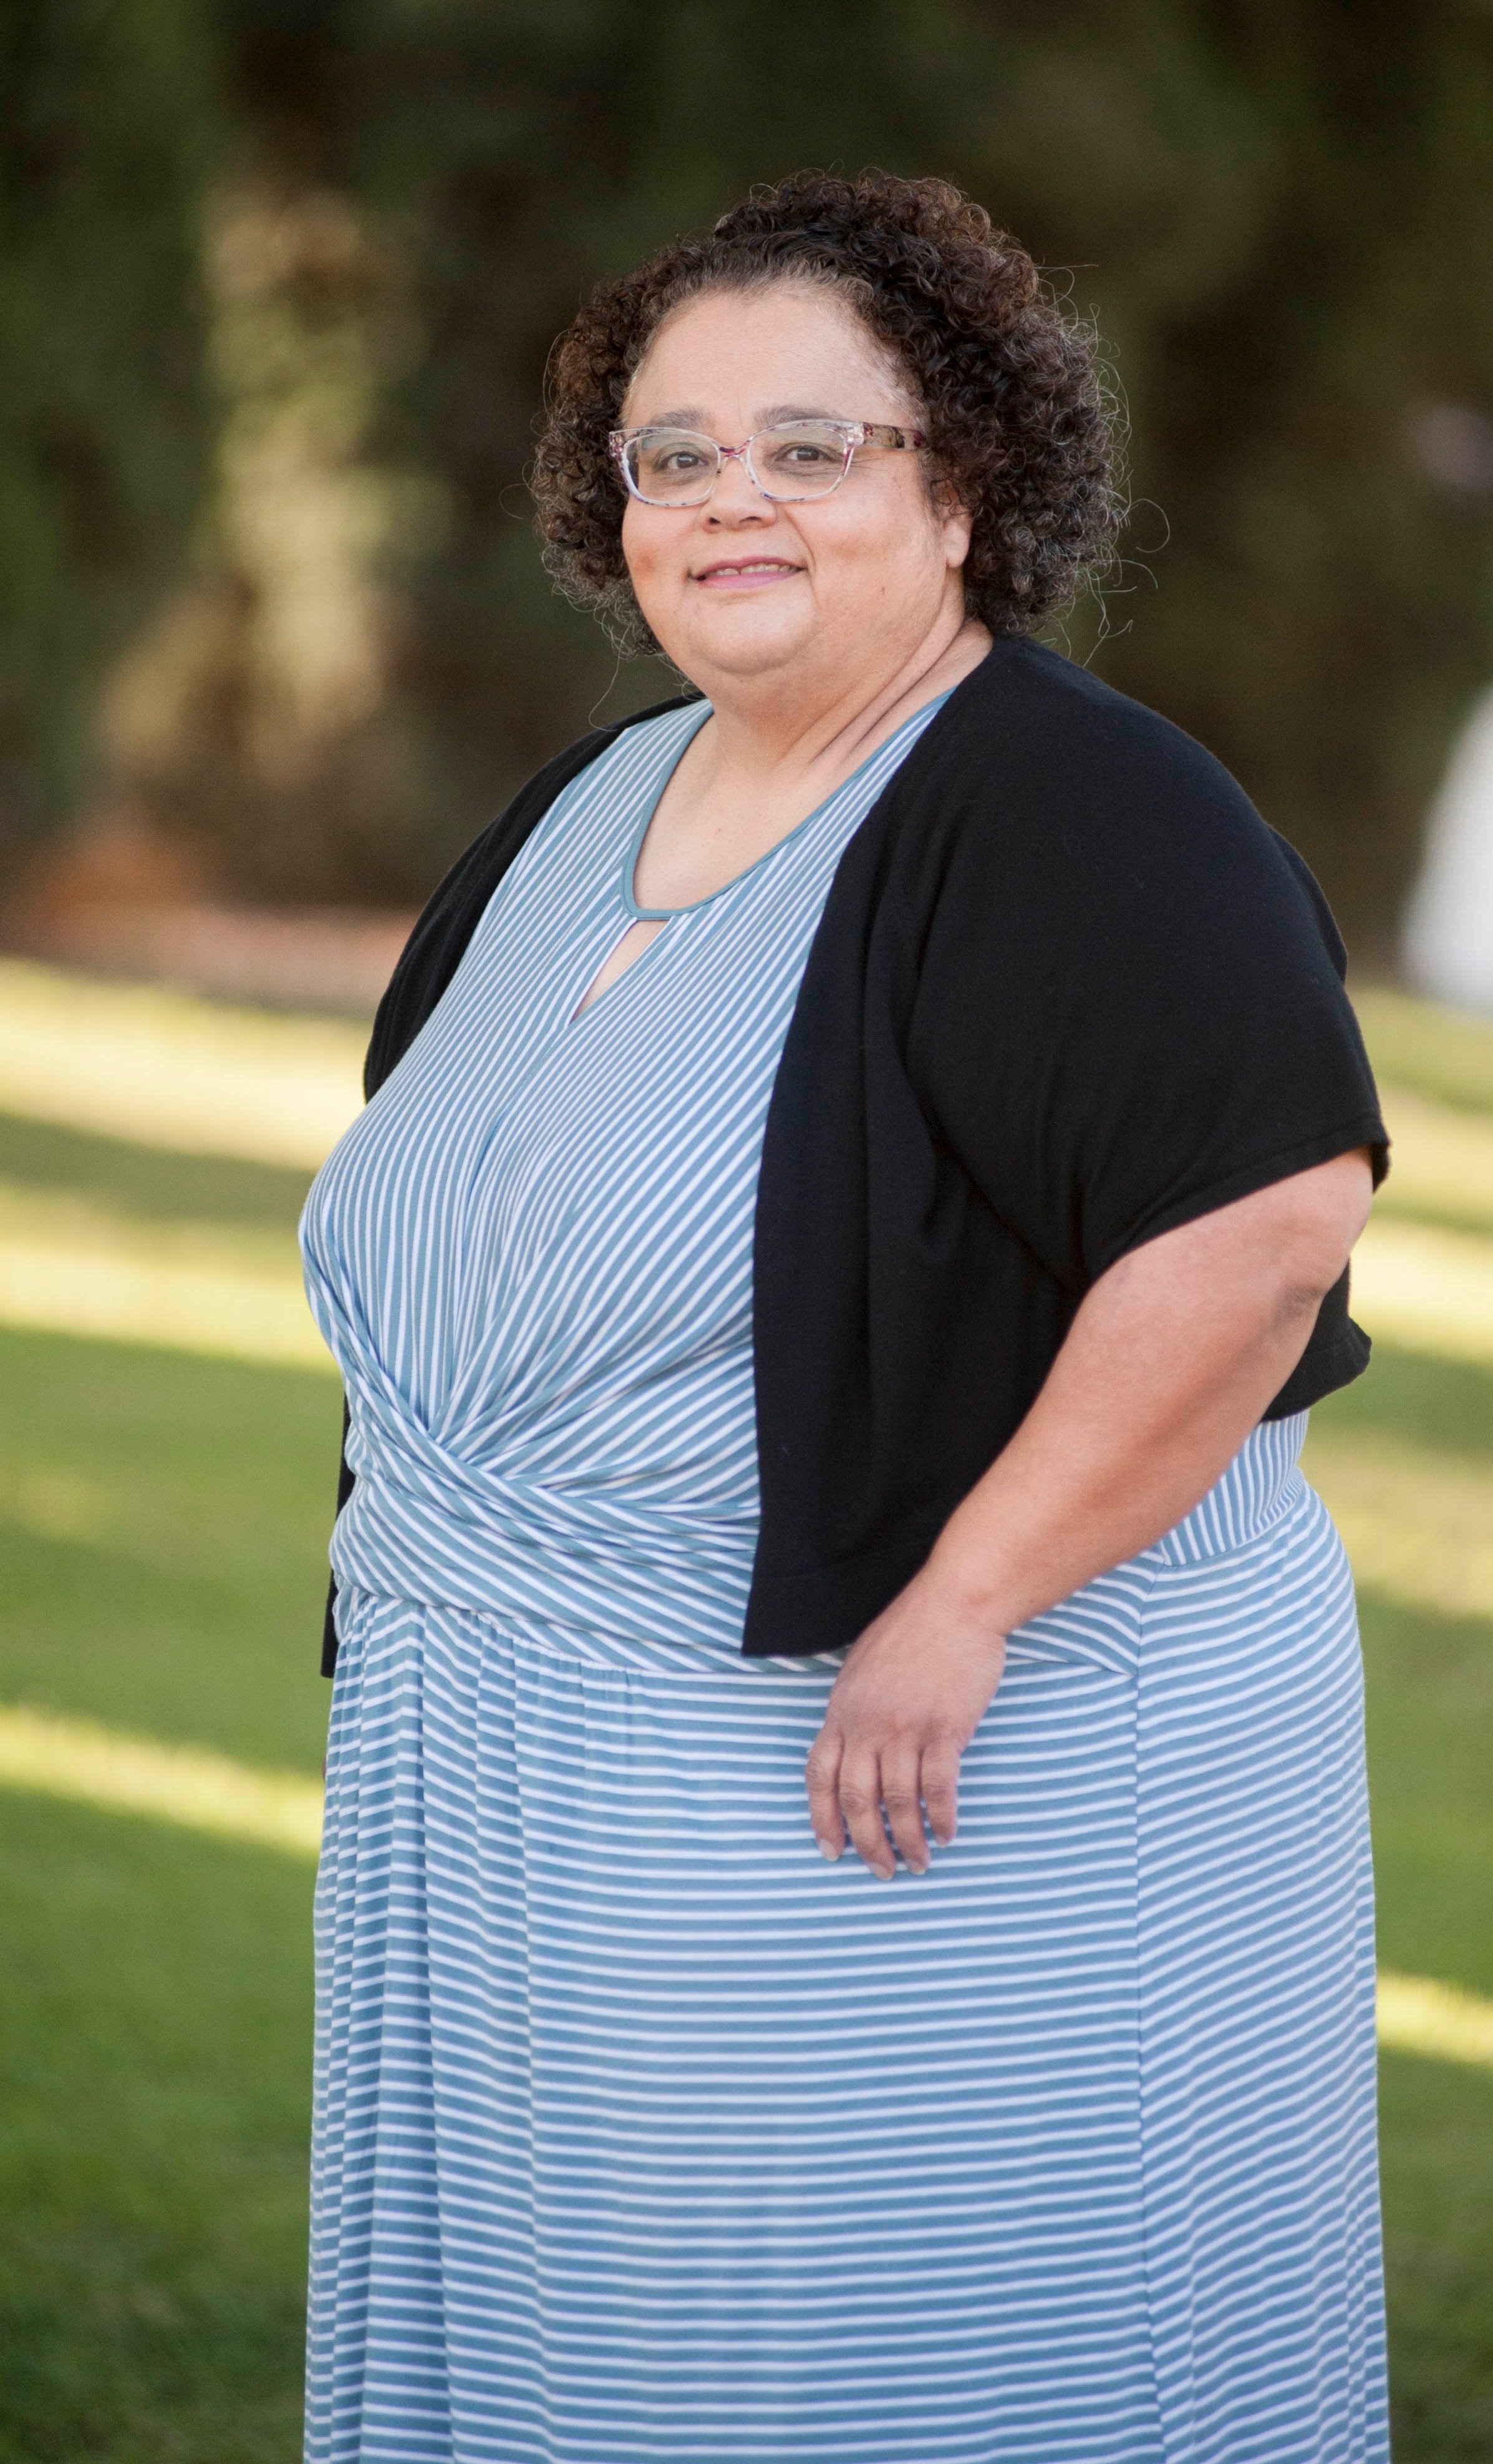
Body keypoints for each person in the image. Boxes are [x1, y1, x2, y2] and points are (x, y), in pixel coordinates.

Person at [300, 171, 1390, 2464]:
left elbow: (1259, 1228)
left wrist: (963, 1605)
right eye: (674, 455)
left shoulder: (1075, 811)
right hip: (514, 1785)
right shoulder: (591, 799)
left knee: (847, 2366)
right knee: (585, 2363)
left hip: (883, 1798)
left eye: (811, 446)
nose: (729, 501)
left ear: (966, 483)